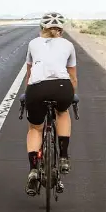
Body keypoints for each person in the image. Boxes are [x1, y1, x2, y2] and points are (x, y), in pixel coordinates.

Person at [21, 11, 78, 196]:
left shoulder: (33, 43)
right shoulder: (68, 45)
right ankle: (63, 157)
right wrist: (72, 96)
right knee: (62, 113)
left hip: (37, 89)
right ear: (61, 30)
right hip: (62, 87)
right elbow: (73, 78)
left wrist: (27, 94)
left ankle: (33, 169)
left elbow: (30, 75)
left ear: (41, 28)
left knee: (35, 128)